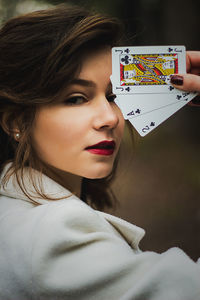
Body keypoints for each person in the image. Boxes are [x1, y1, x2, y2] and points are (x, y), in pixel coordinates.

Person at [0, 4, 199, 300]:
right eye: (76, 98)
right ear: (17, 122)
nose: (110, 117)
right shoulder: (52, 235)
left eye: (113, 95)